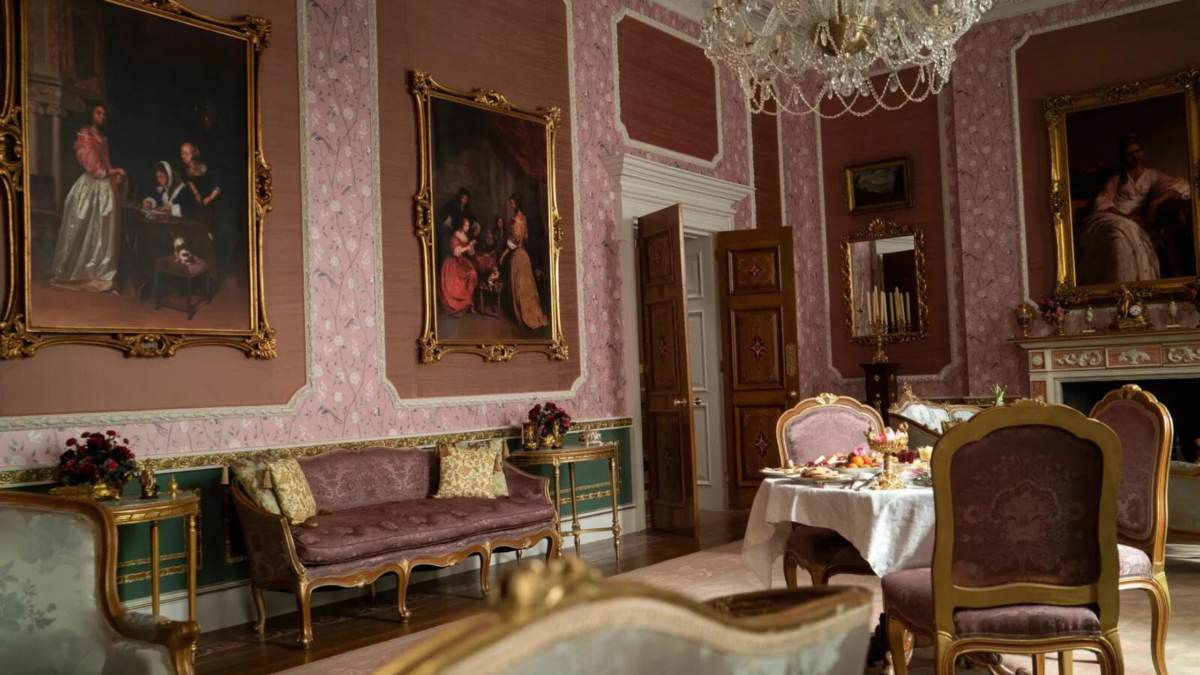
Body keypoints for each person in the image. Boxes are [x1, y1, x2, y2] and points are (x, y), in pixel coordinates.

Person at [1077, 133, 1192, 284]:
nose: (1135, 156)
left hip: (1137, 219)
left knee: (1124, 234)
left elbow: (1179, 186)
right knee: (1118, 232)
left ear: (1142, 151)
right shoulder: (1118, 177)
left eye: (1137, 151)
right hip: (1114, 215)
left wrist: (1154, 203)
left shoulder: (1152, 175)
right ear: (1123, 157)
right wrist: (1125, 217)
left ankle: (1134, 285)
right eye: (1130, 154)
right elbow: (1102, 200)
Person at [49, 103, 126, 293]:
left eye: (104, 114)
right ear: (91, 113)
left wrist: (112, 175)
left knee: (104, 231)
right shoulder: (86, 131)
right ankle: (78, 271)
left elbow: (104, 160)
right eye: (98, 112)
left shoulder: (104, 137)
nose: (102, 116)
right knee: (83, 227)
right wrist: (111, 171)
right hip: (90, 186)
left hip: (105, 186)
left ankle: (101, 273)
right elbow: (89, 161)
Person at [180, 142, 235, 279]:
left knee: (215, 234)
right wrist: (197, 194)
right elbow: (190, 182)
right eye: (182, 153)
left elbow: (218, 183)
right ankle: (199, 273)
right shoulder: (185, 168)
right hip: (201, 203)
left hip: (215, 202)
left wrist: (209, 198)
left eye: (187, 153)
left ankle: (216, 272)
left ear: (193, 154)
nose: (184, 156)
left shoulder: (205, 167)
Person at [503, 192, 549, 330]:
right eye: (510, 203)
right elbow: (526, 237)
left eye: (512, 203)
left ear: (516, 203)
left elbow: (513, 241)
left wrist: (503, 254)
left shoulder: (515, 220)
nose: (511, 205)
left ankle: (521, 316)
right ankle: (532, 314)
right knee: (526, 287)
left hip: (517, 256)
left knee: (519, 287)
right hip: (525, 255)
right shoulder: (524, 218)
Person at [439, 216, 479, 317]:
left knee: (472, 273)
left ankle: (469, 303)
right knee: (457, 284)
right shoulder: (455, 236)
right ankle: (464, 304)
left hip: (462, 261)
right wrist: (467, 247)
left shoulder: (466, 237)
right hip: (454, 263)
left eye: (468, 226)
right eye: (466, 226)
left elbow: (469, 253)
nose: (467, 228)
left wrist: (471, 247)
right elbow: (456, 252)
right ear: (461, 225)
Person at [439, 187, 476, 265]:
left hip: (461, 230)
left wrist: (475, 224)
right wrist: (448, 219)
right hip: (452, 229)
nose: (464, 201)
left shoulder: (466, 208)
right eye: (463, 198)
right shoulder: (452, 203)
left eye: (466, 199)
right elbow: (443, 213)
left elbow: (472, 217)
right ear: (459, 197)